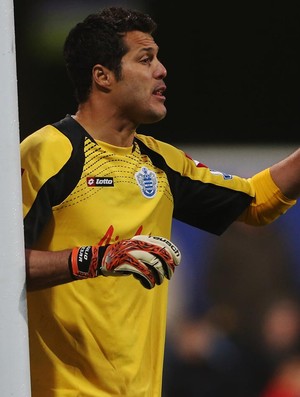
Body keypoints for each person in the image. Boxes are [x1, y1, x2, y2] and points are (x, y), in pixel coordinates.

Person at [20, 6, 300, 397]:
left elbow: (254, 203)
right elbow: (8, 263)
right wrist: (95, 259)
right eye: (145, 59)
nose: (162, 70)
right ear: (102, 76)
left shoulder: (160, 162)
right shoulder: (48, 152)